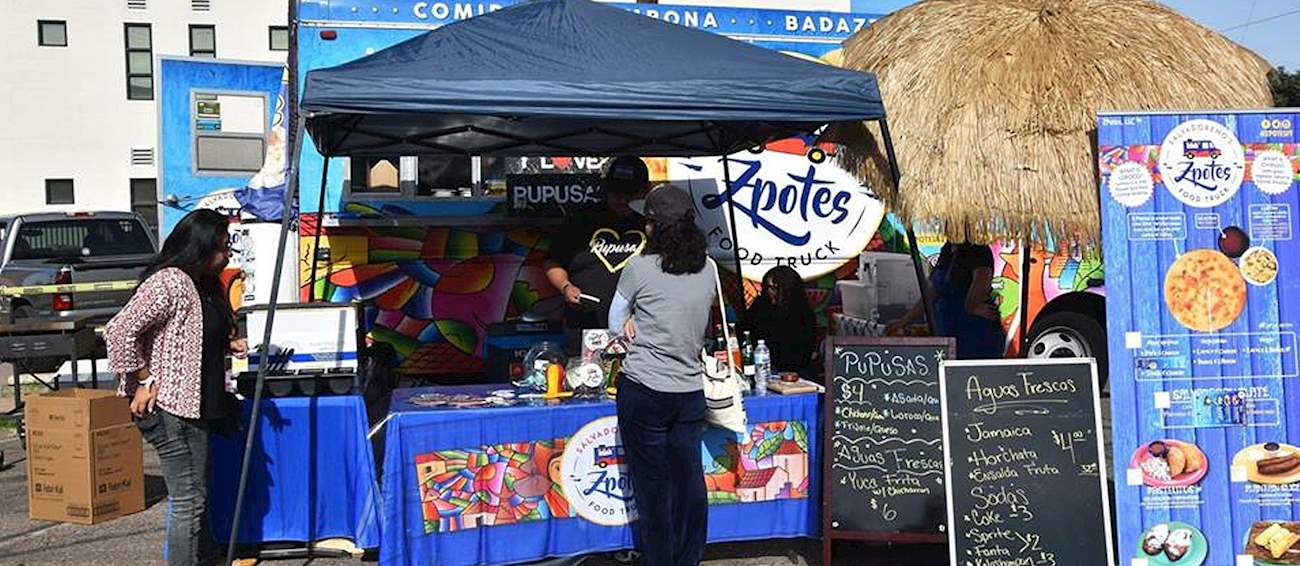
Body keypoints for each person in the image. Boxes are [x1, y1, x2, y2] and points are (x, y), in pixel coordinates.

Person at [105, 209, 248, 566]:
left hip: (196, 407)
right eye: (221, 247)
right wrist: (143, 380)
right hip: (171, 408)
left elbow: (187, 335)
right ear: (199, 247)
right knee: (189, 501)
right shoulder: (170, 282)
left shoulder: (201, 282)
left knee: (198, 495)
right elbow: (119, 331)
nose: (227, 254)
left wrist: (227, 343)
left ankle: (206, 559)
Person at [608, 184, 714, 566]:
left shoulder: (639, 268)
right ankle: (689, 559)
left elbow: (615, 321)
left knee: (653, 489)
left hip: (645, 388)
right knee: (690, 484)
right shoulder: (709, 268)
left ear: (653, 226)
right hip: (690, 390)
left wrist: (632, 327)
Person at [546, 156, 650, 354]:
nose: (622, 200)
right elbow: (553, 261)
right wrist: (565, 287)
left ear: (644, 190)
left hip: (639, 327)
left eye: (629, 194)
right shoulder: (582, 219)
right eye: (616, 193)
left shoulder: (651, 223)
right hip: (586, 326)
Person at [886, 242, 1004, 358]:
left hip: (973, 334)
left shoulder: (978, 249)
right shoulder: (947, 249)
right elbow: (932, 292)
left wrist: (971, 305)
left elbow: (982, 277)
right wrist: (905, 320)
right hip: (947, 330)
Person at [745, 265, 816, 380]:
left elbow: (801, 354)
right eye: (768, 287)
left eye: (774, 288)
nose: (770, 292)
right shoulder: (760, 308)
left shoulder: (803, 315)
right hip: (763, 371)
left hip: (795, 373)